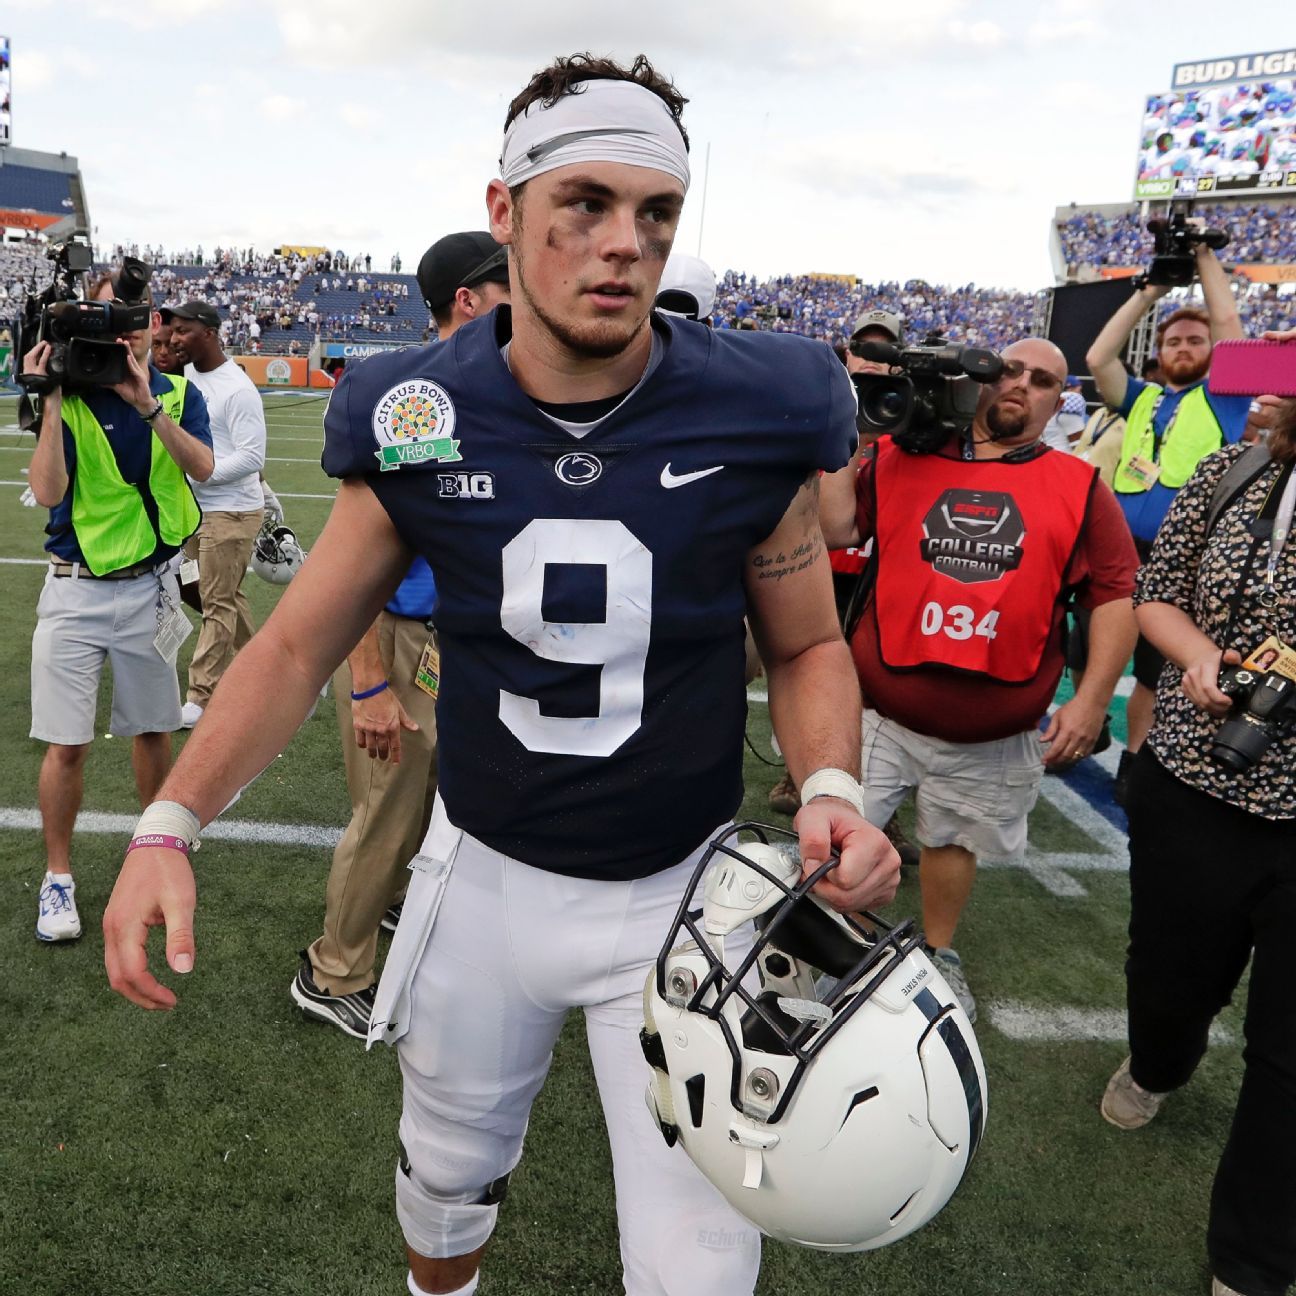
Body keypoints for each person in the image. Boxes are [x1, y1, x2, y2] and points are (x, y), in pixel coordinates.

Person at [102, 53, 898, 1296]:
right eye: (584, 201)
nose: (622, 244)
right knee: (444, 1184)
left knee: (700, 1265)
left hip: (680, 891)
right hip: (484, 876)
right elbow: (300, 641)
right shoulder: (413, 405)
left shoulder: (765, 400)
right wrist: (166, 821)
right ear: (506, 213)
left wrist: (834, 787)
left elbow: (803, 644)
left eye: (656, 213)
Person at [820, 336, 1139, 1021]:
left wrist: (1089, 701)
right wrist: (851, 435)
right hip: (879, 709)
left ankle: (938, 952)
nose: (1023, 384)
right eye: (1010, 369)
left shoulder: (1080, 485)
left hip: (993, 729)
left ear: (1060, 399)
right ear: (978, 380)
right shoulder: (899, 457)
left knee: (953, 841)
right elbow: (834, 526)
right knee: (836, 838)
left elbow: (1114, 593)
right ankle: (824, 942)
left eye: (1044, 379)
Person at [1101, 329, 1296, 1296]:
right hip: (1195, 779)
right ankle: (1159, 1059)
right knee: (1167, 981)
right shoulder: (1231, 471)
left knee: (1292, 1060)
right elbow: (1157, 596)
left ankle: (1253, 1264)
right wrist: (1199, 660)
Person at [291, 231, 511, 1039]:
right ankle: (333, 971)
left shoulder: (499, 389)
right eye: (507, 286)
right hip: (398, 636)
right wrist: (370, 681)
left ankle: (382, 908)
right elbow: (351, 570)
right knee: (384, 810)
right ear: (470, 299)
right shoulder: (414, 396)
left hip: (446, 641)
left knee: (418, 804)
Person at [23, 265, 213, 942]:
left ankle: (155, 855)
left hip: (149, 587)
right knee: (66, 746)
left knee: (153, 731)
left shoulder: (180, 393)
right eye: (90, 324)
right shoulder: (66, 395)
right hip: (73, 589)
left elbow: (202, 469)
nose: (109, 340)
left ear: (147, 326)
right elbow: (48, 493)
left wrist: (147, 405)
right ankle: (58, 879)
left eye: (120, 323)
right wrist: (47, 401)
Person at [1086, 243, 1249, 803]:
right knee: (1088, 649)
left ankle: (1133, 763)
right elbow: (1099, 359)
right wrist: (1149, 290)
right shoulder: (1144, 397)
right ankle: (1093, 725)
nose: (1183, 347)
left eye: (1194, 341)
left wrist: (1203, 259)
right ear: (1159, 351)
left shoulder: (1225, 397)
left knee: (1156, 673)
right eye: (1173, 340)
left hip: (1182, 555)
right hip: (1120, 548)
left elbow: (1230, 329)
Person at [164, 301, 268, 729]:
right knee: (214, 595)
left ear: (209, 332)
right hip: (193, 510)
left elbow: (252, 455)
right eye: (172, 331)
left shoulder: (237, 388)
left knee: (217, 601)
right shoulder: (180, 380)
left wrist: (203, 474)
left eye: (183, 331)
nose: (174, 339)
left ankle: (201, 695)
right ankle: (268, 665)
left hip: (231, 511)